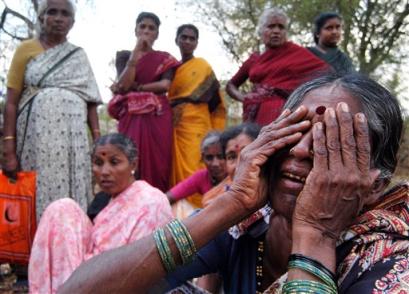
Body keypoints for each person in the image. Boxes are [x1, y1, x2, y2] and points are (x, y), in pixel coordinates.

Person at [59, 73, 408, 294]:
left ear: (374, 184)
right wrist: (232, 202)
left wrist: (316, 236)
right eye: (292, 134)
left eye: (329, 144)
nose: (299, 151)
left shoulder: (392, 264)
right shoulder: (249, 225)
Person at [28, 133, 173, 293]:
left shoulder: (151, 201)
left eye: (114, 162)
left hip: (123, 284)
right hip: (85, 277)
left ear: (133, 165)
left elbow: (143, 265)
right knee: (62, 209)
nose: (104, 171)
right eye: (98, 163)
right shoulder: (103, 201)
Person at [2, 0, 101, 218]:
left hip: (73, 141)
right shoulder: (26, 49)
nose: (58, 18)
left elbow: (91, 101)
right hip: (36, 140)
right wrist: (8, 147)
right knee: (39, 187)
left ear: (72, 22)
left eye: (65, 14)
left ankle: (72, 242)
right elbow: (11, 101)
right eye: (52, 12)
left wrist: (97, 140)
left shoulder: (78, 55)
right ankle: (40, 245)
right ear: (41, 18)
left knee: (73, 190)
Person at [108, 12, 179, 192]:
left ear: (157, 34)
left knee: (159, 163)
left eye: (151, 28)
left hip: (158, 117)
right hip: (130, 117)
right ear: (136, 30)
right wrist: (135, 55)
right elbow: (123, 85)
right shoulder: (124, 56)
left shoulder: (165, 58)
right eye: (142, 27)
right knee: (128, 155)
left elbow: (164, 85)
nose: (146, 31)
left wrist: (138, 88)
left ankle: (158, 203)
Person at [226, 7, 330, 126]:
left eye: (281, 27)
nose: (276, 31)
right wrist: (244, 98)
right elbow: (231, 85)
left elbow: (328, 75)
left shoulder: (297, 53)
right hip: (253, 116)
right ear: (261, 30)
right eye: (271, 26)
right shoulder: (254, 60)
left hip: (286, 115)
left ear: (286, 32)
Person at [169, 24, 226, 187]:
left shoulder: (203, 67)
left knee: (198, 163)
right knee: (175, 167)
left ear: (196, 43)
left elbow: (216, 102)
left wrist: (216, 134)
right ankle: (180, 208)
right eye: (183, 37)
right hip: (175, 127)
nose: (187, 41)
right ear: (176, 40)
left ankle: (201, 207)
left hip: (198, 125)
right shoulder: (171, 69)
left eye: (192, 38)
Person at [167, 131, 226, 219]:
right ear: (202, 158)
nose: (215, 164)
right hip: (210, 224)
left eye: (220, 157)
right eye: (209, 158)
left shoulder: (236, 176)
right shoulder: (202, 176)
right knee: (178, 206)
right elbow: (169, 197)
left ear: (229, 156)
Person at [201, 122, 260, 207]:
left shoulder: (275, 197)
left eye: (247, 154)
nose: (238, 166)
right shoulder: (213, 201)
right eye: (231, 157)